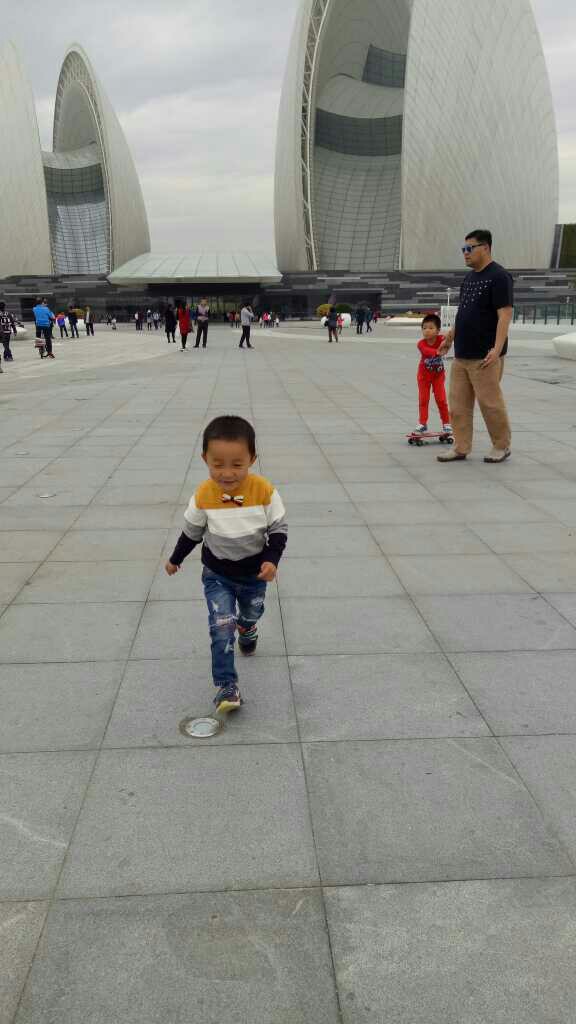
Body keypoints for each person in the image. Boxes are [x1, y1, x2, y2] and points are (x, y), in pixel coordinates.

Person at [164, 415, 288, 712]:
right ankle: (227, 686)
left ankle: (248, 627)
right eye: (217, 464)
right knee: (221, 626)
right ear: (205, 459)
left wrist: (271, 560)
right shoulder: (203, 495)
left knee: (251, 612)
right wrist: (175, 558)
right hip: (217, 574)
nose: (227, 473)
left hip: (254, 574)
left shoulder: (264, 491)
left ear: (252, 459)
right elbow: (191, 533)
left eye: (237, 464)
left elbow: (278, 530)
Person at [437, 229, 513, 464]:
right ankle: (461, 447)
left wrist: (497, 349)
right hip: (462, 354)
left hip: (485, 355)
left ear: (485, 248)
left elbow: (505, 315)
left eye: (469, 248)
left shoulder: (499, 276)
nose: (465, 253)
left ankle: (501, 446)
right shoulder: (469, 278)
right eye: (463, 249)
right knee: (458, 406)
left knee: (490, 404)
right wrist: (450, 338)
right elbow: (463, 313)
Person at [414, 314, 451, 435]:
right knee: (423, 399)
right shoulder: (421, 343)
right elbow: (426, 351)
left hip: (438, 376)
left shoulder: (441, 339)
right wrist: (438, 352)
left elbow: (449, 338)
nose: (427, 331)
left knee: (441, 399)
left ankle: (446, 423)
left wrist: (448, 336)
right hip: (423, 376)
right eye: (424, 328)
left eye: (431, 328)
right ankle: (422, 423)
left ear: (438, 330)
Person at [0, 302, 16, 367]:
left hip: (2, 332)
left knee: (5, 345)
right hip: (8, 331)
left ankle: (9, 356)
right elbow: (12, 323)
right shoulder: (8, 314)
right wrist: (14, 330)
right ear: (4, 307)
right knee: (6, 344)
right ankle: (5, 356)